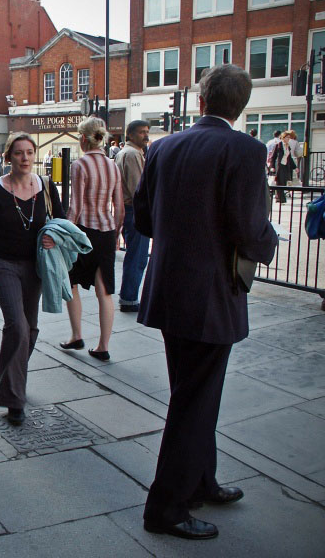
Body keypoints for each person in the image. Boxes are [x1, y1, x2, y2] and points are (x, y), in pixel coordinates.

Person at [134, 64, 278, 540]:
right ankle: (167, 508)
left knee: (194, 392)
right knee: (194, 401)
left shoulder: (163, 146)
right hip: (212, 294)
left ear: (201, 101)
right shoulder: (245, 149)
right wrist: (267, 243)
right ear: (241, 107)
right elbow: (248, 227)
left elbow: (144, 218)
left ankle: (201, 479)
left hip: (170, 288)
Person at [0, 132, 64, 426]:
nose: (24, 158)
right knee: (18, 326)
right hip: (3, 266)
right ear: (8, 156)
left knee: (31, 330)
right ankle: (14, 399)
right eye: (18, 153)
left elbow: (61, 224)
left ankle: (11, 378)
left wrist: (52, 238)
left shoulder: (46, 186)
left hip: (35, 267)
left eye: (29, 152)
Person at [60, 117, 124, 361]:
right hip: (106, 232)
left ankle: (76, 334)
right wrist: (116, 234)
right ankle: (103, 346)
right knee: (104, 290)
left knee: (72, 281)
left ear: (83, 138)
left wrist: (65, 233)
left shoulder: (80, 165)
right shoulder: (112, 165)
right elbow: (119, 207)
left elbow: (75, 207)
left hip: (84, 232)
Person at [116, 120, 151, 312]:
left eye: (146, 132)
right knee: (137, 257)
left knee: (135, 255)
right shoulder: (132, 154)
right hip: (134, 210)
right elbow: (138, 188)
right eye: (141, 132)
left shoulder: (127, 153)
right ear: (130, 135)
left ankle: (129, 296)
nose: (145, 135)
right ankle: (129, 299)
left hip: (129, 210)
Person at [269, 131, 296, 203]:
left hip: (285, 166)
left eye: (289, 138)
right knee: (279, 182)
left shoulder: (288, 146)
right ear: (283, 138)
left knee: (283, 182)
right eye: (287, 137)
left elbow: (289, 158)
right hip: (279, 166)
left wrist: (295, 167)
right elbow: (273, 157)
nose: (288, 139)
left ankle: (279, 197)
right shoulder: (278, 145)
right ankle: (281, 199)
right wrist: (272, 166)